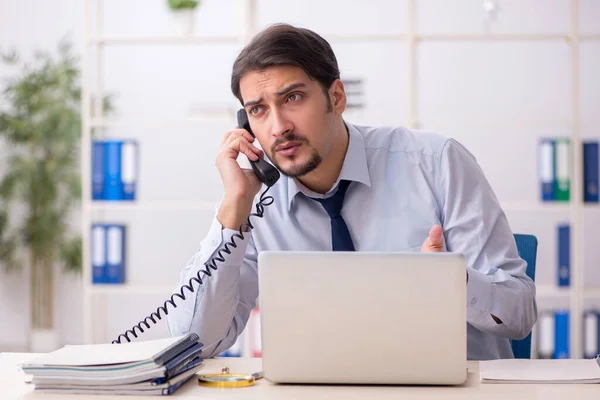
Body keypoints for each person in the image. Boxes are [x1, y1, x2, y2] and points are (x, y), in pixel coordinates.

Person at [166, 23, 538, 360]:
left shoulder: (438, 163)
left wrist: (455, 281)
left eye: (293, 98)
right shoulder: (255, 205)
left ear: (337, 97)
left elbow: (520, 313)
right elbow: (195, 341)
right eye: (259, 110)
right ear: (246, 124)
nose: (278, 126)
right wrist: (233, 209)